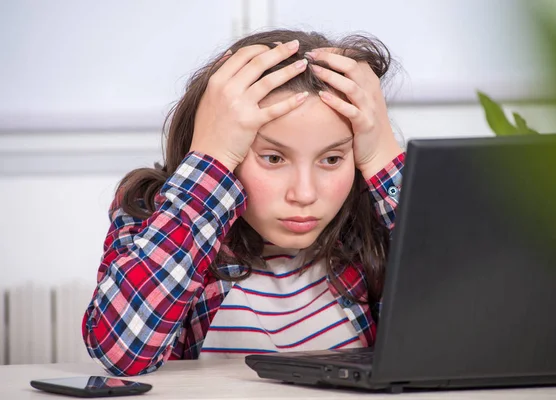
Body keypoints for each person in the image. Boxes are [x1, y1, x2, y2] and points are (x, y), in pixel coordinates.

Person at [82, 29, 405, 376]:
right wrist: (212, 159)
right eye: (273, 158)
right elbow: (120, 352)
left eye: (331, 160)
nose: (305, 193)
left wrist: (384, 157)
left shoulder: (370, 221)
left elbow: (461, 323)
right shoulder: (152, 213)